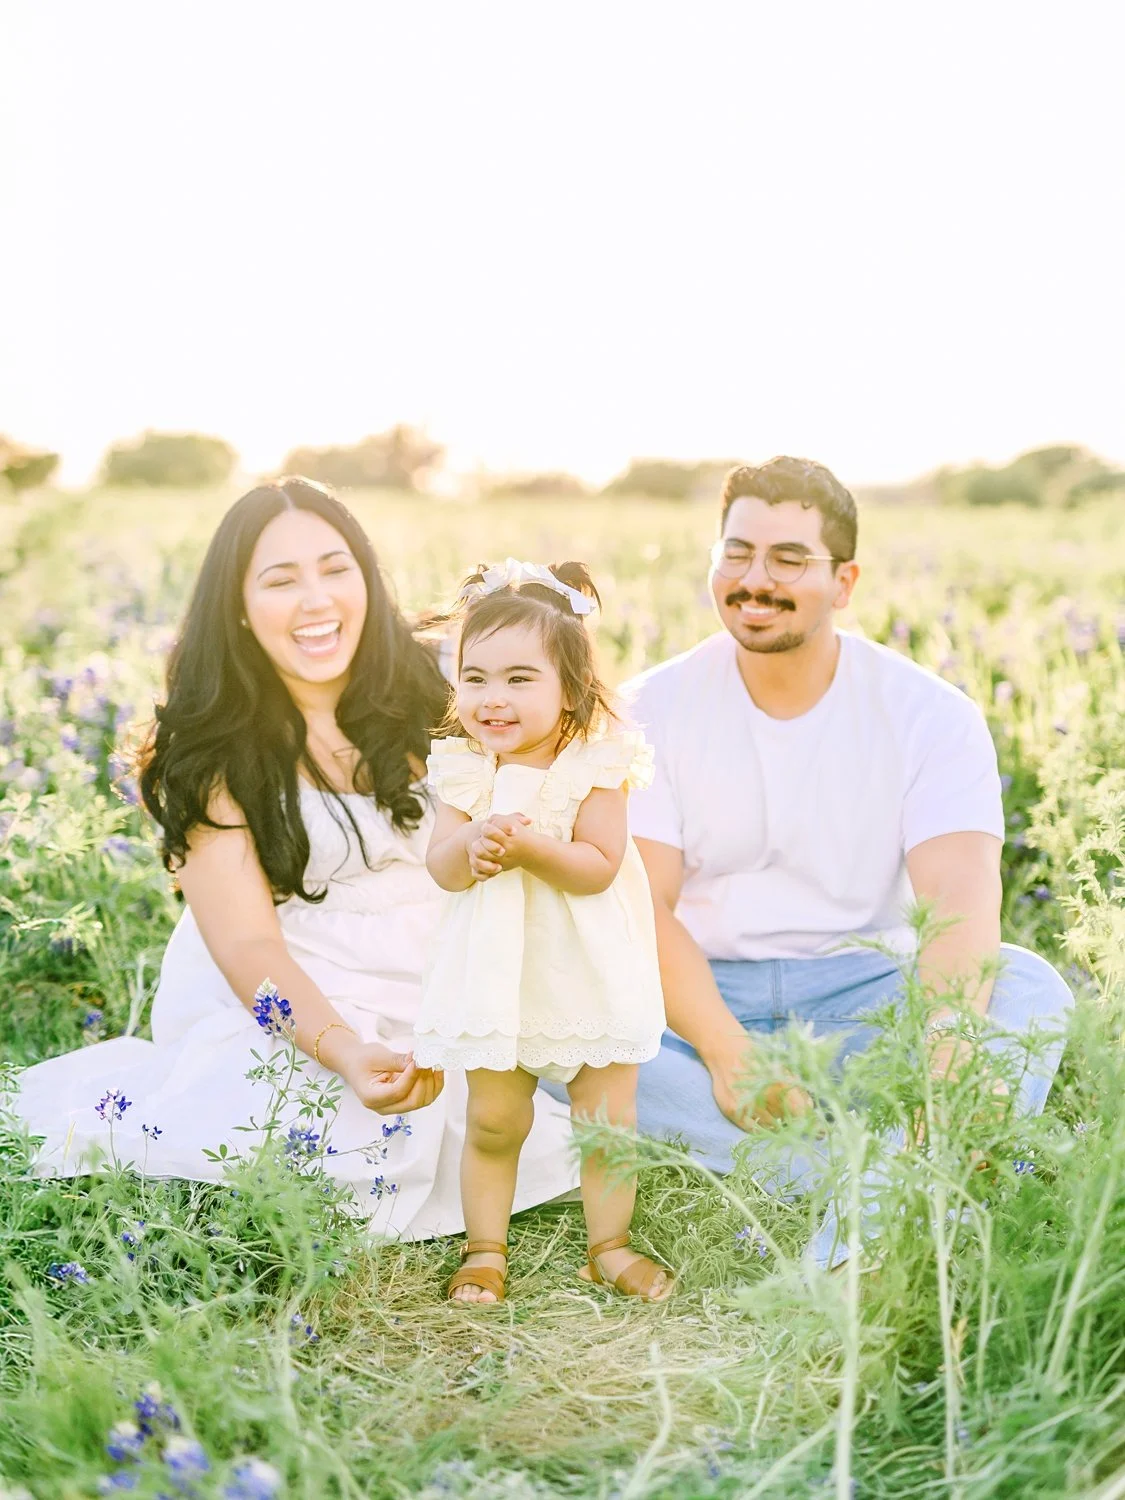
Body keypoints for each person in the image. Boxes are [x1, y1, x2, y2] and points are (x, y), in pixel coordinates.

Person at [8, 480, 578, 1237]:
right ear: (239, 605)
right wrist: (341, 1049)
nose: (317, 600)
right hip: (297, 983)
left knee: (574, 1093)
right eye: (281, 580)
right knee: (313, 1130)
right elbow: (248, 942)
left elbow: (571, 747)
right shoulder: (213, 748)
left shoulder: (444, 683)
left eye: (335, 568)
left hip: (452, 956)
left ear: (366, 579)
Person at [621, 457, 1074, 1260]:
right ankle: (872, 1174)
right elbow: (642, 908)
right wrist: (728, 1054)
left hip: (863, 998)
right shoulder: (650, 705)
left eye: (788, 559)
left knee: (1029, 986)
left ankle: (878, 1171)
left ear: (844, 580)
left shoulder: (929, 714)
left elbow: (959, 902)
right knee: (547, 1022)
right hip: (695, 1001)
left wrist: (940, 1059)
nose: (753, 579)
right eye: (735, 552)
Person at [412, 558, 672, 1303]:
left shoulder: (599, 762)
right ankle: (485, 1249)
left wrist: (528, 848)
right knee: (494, 1119)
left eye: (519, 679)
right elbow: (442, 867)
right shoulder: (464, 769)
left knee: (607, 1122)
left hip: (588, 967)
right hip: (498, 972)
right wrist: (471, 847)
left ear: (571, 688)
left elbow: (596, 865)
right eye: (476, 677)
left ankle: (609, 1246)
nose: (493, 699)